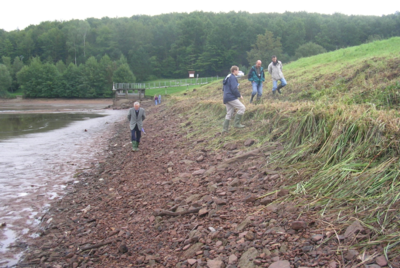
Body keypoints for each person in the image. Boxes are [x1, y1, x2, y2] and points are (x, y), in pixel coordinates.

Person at [222, 65, 246, 133]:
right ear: (234, 71)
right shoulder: (233, 78)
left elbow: (223, 88)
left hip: (225, 97)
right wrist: (239, 95)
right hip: (231, 97)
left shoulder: (227, 77)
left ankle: (224, 130)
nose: (238, 72)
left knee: (229, 113)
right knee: (242, 108)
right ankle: (236, 124)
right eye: (238, 70)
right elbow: (234, 89)